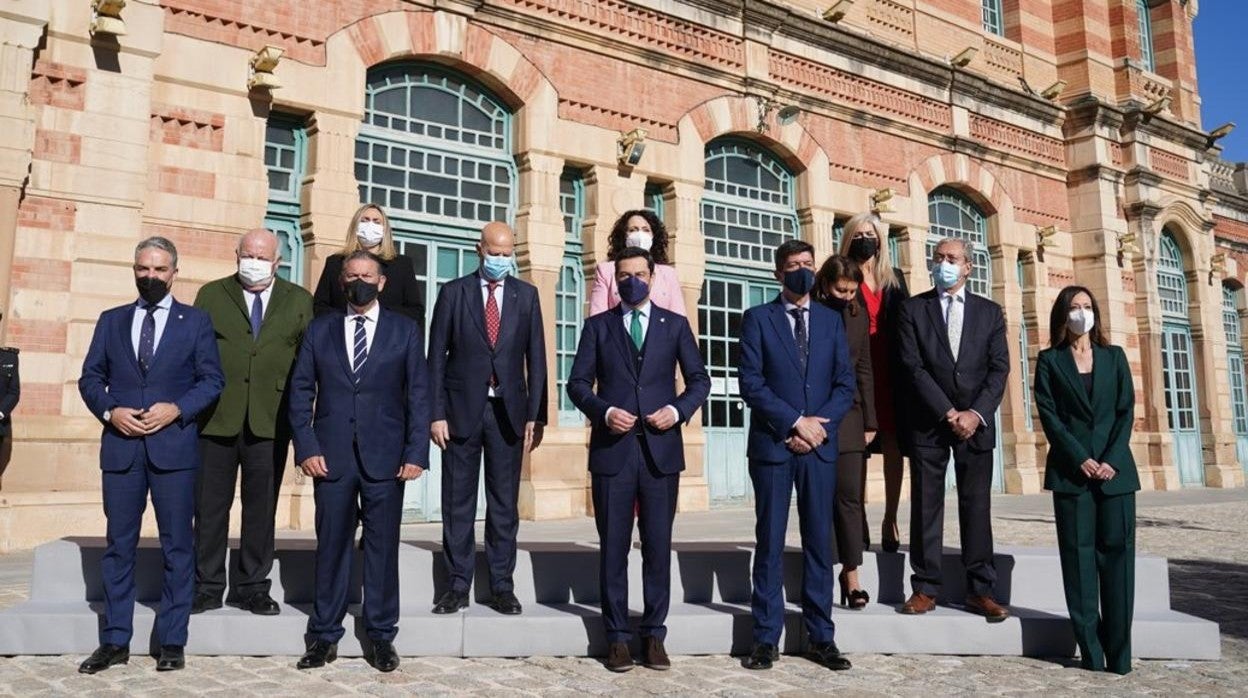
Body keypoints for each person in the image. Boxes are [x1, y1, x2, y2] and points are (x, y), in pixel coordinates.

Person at [77, 237, 225, 673]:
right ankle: (115, 641)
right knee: (119, 546)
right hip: (121, 450)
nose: (151, 276)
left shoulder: (195, 322)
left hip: (174, 451)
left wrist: (177, 408)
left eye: (160, 269)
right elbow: (90, 378)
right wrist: (110, 410)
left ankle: (173, 641)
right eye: (144, 268)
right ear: (134, 269)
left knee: (178, 546)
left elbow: (212, 380)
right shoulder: (111, 321)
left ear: (174, 272)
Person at [567, 247, 711, 672]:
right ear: (615, 280)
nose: (633, 280)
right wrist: (605, 412)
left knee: (657, 547)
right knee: (613, 548)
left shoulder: (676, 326)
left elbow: (700, 379)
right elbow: (577, 384)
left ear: (652, 277)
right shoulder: (597, 327)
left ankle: (654, 635)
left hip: (660, 454)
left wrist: (679, 410)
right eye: (625, 274)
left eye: (640, 274)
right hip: (613, 453)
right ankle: (616, 637)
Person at [289, 250, 429, 673]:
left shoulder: (404, 331)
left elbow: (418, 396)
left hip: (387, 459)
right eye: (352, 276)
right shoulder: (320, 329)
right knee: (331, 546)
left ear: (382, 282)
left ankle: (382, 635)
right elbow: (300, 392)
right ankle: (324, 635)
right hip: (330, 458)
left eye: (367, 275)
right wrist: (307, 447)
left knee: (383, 550)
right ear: (341, 281)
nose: (359, 281)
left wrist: (415, 452)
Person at [738, 239, 856, 672]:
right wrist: (794, 423)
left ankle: (821, 636)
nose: (802, 271)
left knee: (818, 544)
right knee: (769, 541)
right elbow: (751, 383)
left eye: (808, 264)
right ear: (778, 273)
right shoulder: (757, 320)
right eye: (793, 265)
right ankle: (765, 638)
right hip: (773, 446)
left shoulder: (830, 321)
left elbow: (844, 385)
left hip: (819, 448)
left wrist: (816, 428)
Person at [427, 222, 547, 616]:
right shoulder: (453, 293)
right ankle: (457, 584)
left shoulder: (526, 297)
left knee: (503, 505)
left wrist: (536, 415)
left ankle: (501, 585)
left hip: (508, 413)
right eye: (494, 252)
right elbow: (436, 360)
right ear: (480, 249)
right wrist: (436, 413)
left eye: (507, 252)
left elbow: (538, 359)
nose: (500, 259)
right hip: (461, 413)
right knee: (457, 502)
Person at [191, 228, 313, 616]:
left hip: (271, 419)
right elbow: (195, 355)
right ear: (236, 255)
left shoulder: (299, 300)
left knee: (261, 507)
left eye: (262, 257)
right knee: (210, 505)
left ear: (278, 262)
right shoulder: (211, 294)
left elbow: (307, 364)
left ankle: (252, 586)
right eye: (248, 254)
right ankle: (207, 584)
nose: (254, 262)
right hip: (217, 419)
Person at [895, 237, 1010, 621]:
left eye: (952, 258)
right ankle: (925, 588)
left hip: (975, 426)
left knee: (976, 507)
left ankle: (981, 590)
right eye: (939, 257)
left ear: (968, 267)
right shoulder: (914, 309)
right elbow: (911, 367)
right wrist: (948, 411)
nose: (944, 263)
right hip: (930, 422)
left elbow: (999, 369)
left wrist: (975, 413)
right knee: (927, 506)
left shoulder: (990, 313)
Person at [1033, 286, 1138, 675]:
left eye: (1087, 306)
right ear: (1063, 314)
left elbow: (1125, 411)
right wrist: (1081, 458)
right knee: (1078, 564)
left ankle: (1120, 656)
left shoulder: (1115, 357)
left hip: (1116, 475)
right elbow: (1050, 416)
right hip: (1072, 475)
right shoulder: (1049, 361)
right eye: (1074, 307)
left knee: (1118, 564)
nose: (1082, 313)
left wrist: (1109, 459)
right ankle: (1092, 655)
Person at [838, 212, 909, 553]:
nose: (865, 239)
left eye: (871, 233)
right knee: (858, 444)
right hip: (855, 367)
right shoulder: (841, 273)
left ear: (880, 239)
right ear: (849, 238)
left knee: (893, 443)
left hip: (890, 368)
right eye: (859, 233)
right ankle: (859, 517)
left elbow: (907, 322)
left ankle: (890, 517)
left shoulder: (893, 278)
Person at [812, 255, 876, 610]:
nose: (847, 296)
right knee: (821, 498)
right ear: (825, 283)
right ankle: (821, 570)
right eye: (841, 289)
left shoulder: (857, 313)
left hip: (851, 414)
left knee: (850, 497)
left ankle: (851, 576)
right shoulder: (811, 309)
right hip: (815, 415)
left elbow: (864, 365)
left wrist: (871, 420)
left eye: (852, 291)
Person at [312, 203, 424, 324]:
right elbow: (320, 306)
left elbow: (415, 311)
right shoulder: (335, 263)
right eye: (365, 220)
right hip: (343, 333)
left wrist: (376, 314)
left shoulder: (402, 265)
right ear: (355, 226)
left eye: (376, 221)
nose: (370, 225)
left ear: (385, 229)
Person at [588, 209, 687, 316]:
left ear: (654, 236)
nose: (640, 234)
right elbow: (597, 317)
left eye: (646, 230)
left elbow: (679, 319)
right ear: (623, 236)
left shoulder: (668, 274)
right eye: (633, 230)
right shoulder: (606, 271)